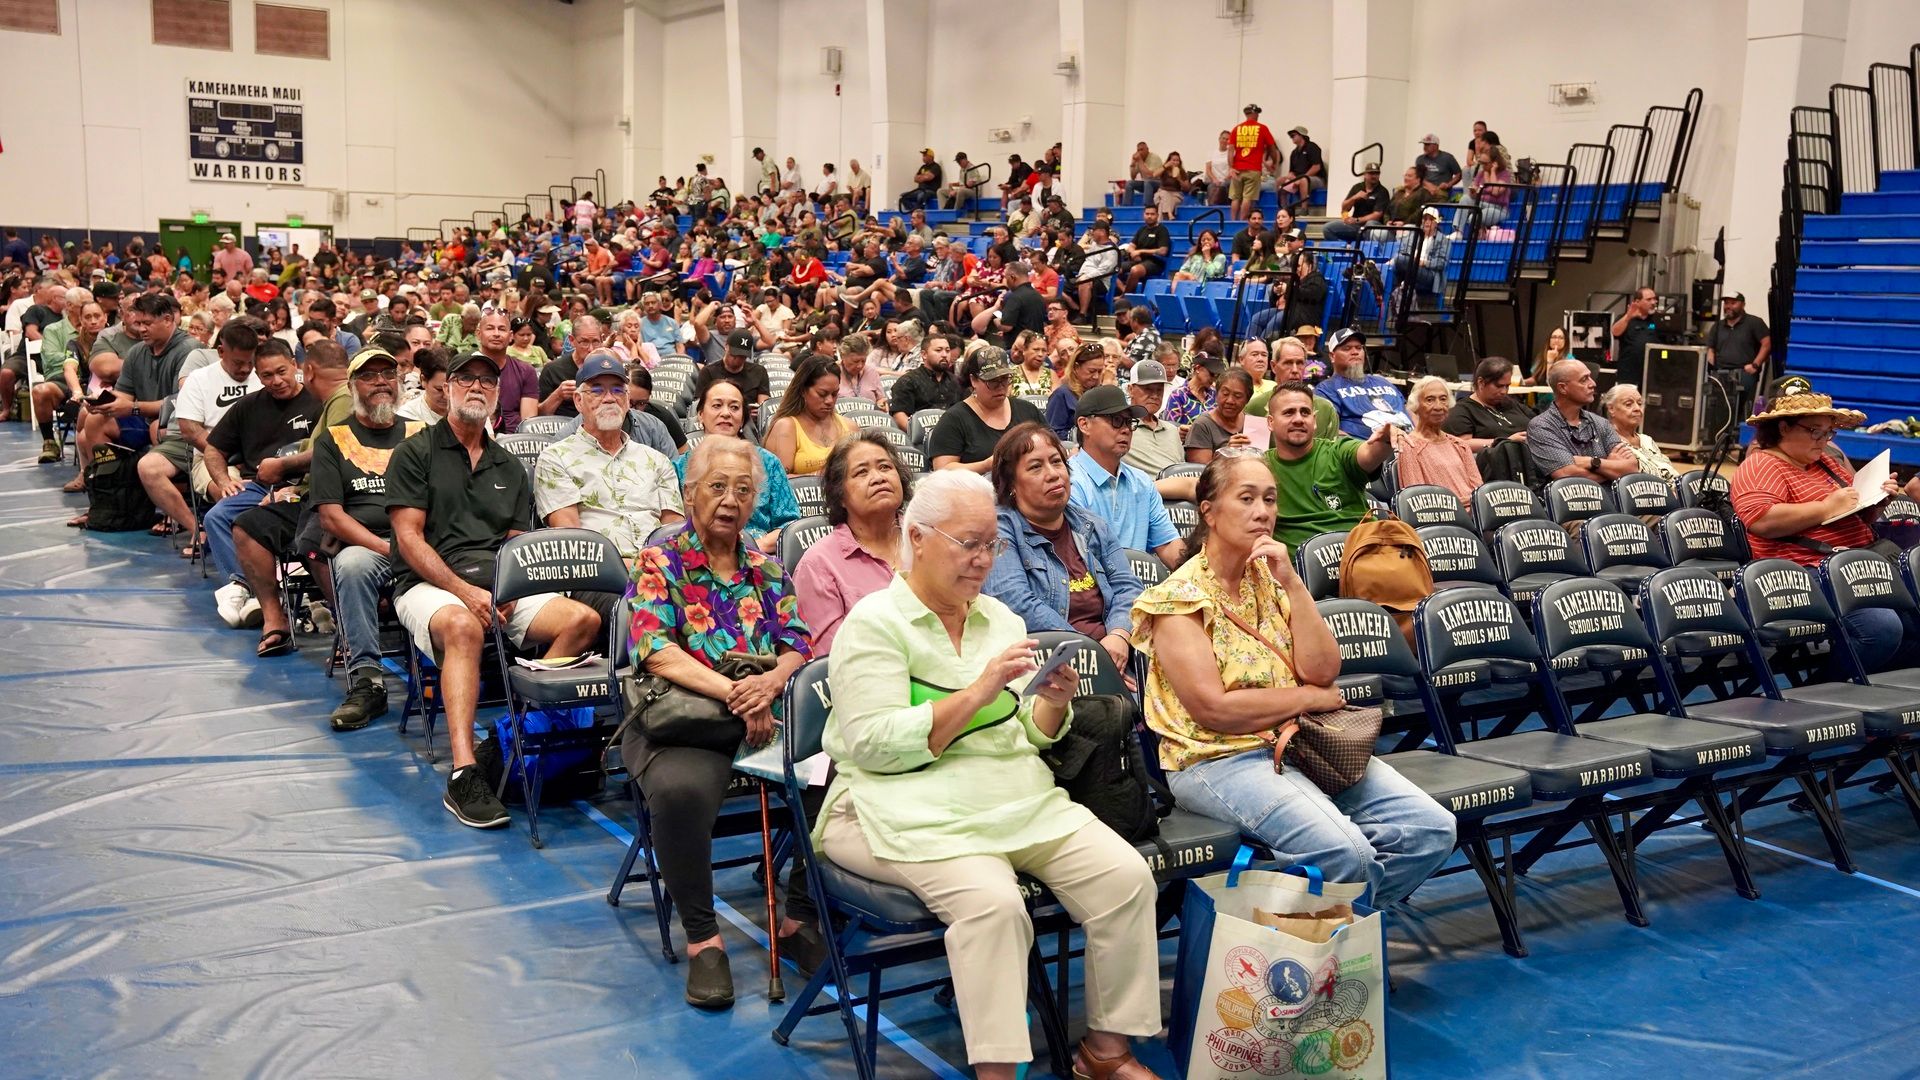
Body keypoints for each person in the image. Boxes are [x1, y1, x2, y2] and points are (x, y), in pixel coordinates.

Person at [820, 469, 1162, 1078]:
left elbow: (1026, 732)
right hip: (906, 804)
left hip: (1016, 796)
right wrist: (977, 692)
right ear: (918, 537)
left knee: (1126, 878)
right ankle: (998, 1073)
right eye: (968, 543)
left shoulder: (999, 619)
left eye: (992, 545)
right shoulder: (873, 624)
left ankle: (1105, 1053)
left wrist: (1052, 703)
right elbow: (873, 747)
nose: (983, 560)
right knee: (994, 907)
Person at [1130, 453, 1455, 908]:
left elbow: (1323, 671)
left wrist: (1294, 584)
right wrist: (1308, 698)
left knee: (1431, 830)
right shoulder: (1177, 599)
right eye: (1246, 499)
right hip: (1215, 759)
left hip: (1301, 741)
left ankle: (1318, 930)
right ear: (1209, 511)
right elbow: (1214, 710)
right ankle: (1323, 941)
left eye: (1270, 499)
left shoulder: (1270, 579)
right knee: (1346, 854)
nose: (1262, 511)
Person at [625, 435, 818, 1007]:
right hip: (686, 719)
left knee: (837, 772)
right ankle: (703, 936)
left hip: (763, 717)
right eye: (717, 486)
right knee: (681, 791)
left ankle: (799, 915)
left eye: (743, 489)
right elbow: (656, 650)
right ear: (690, 494)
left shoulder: (767, 568)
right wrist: (739, 694)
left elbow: (798, 645)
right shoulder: (660, 561)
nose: (730, 500)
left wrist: (770, 685)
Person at [386, 349, 602, 830]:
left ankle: (507, 743)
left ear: (498, 393)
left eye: (487, 380)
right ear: (447, 388)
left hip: (497, 586)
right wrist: (466, 591)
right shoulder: (415, 452)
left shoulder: (508, 465)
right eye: (466, 379)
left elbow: (515, 541)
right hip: (428, 583)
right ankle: (464, 771)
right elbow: (409, 539)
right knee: (463, 627)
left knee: (582, 620)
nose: (477, 387)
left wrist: (510, 587)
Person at [1732, 378, 1920, 672]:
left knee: (1913, 623)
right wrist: (1825, 508)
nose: (1823, 440)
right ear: (1784, 428)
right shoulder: (1761, 465)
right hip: (1801, 572)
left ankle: (1863, 683)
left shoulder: (1825, 463)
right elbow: (1762, 520)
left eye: (1828, 432)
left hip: (1859, 563)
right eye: (1815, 431)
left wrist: (1876, 503)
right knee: (1881, 628)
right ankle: (1824, 688)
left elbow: (1855, 515)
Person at [305, 347, 423, 731]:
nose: (380, 382)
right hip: (371, 545)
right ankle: (368, 681)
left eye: (387, 374)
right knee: (352, 564)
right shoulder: (333, 439)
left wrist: (417, 546)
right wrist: (389, 548)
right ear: (352, 386)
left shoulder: (422, 433)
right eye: (369, 376)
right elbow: (331, 517)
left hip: (423, 541)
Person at [201, 342, 332, 631]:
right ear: (257, 376)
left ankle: (252, 591)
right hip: (259, 486)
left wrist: (294, 489)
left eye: (281, 371)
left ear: (295, 365)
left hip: (303, 488)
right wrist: (224, 481)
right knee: (217, 516)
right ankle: (246, 587)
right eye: (267, 375)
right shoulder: (247, 406)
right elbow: (213, 449)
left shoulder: (318, 401)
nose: (276, 380)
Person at [533, 352, 685, 566]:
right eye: (597, 390)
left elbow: (673, 532)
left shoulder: (657, 461)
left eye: (617, 390)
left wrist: (658, 570)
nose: (609, 398)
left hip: (660, 571)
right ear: (578, 401)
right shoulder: (556, 459)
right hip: (597, 573)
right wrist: (634, 568)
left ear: (627, 400)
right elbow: (572, 544)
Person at [792, 431, 912, 653]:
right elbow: (831, 657)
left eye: (885, 467)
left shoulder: (930, 539)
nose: (878, 477)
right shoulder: (818, 566)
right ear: (840, 495)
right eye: (861, 472)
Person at [1263, 381, 1395, 550]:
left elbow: (1368, 454)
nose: (1298, 419)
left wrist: (1384, 441)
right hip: (1296, 564)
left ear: (1314, 421)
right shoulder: (1262, 467)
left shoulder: (1337, 452)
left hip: (1362, 557)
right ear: (1271, 422)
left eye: (1305, 412)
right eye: (1289, 413)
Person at [674, 379, 798, 554]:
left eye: (734, 407)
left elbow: (789, 525)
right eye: (717, 406)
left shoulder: (768, 462)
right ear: (700, 414)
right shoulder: (680, 467)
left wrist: (756, 547)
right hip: (695, 553)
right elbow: (674, 525)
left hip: (757, 552)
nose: (726, 413)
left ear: (743, 418)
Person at [1069, 385, 1184, 569]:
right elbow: (1079, 561)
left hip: (1141, 584)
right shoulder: (1069, 483)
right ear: (1084, 425)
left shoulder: (1141, 482)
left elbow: (1169, 546)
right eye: (1116, 420)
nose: (1126, 430)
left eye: (1129, 422)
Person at [929, 347, 1046, 473]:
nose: (1000, 387)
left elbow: (1052, 447)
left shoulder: (1028, 410)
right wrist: (986, 465)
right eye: (992, 381)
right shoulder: (954, 419)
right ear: (973, 380)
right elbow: (942, 470)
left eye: (1005, 379)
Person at [1527, 359, 1639, 483]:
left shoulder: (1601, 423)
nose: (1593, 384)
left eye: (1590, 377)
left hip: (1609, 495)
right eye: (1584, 380)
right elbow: (1567, 475)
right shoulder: (1542, 426)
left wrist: (1592, 462)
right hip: (1570, 495)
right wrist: (1611, 468)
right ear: (1563, 388)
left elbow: (1631, 468)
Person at [1442, 356, 1536, 483]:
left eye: (1507, 386)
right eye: (1499, 386)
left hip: (1530, 466)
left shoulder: (1510, 403)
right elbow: (1461, 443)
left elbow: (1537, 422)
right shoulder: (1462, 410)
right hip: (1496, 475)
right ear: (1481, 382)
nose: (1504, 391)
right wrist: (1504, 442)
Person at [764, 353, 855, 477]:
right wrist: (822, 476)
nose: (829, 400)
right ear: (802, 390)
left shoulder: (850, 427)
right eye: (822, 394)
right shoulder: (786, 427)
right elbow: (778, 480)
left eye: (834, 394)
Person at [1397, 376, 1482, 501]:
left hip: (1473, 510)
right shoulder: (1409, 447)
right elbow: (1417, 499)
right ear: (1416, 406)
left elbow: (1479, 493)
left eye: (1443, 399)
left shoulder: (1460, 445)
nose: (1438, 406)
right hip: (1442, 512)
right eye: (1430, 400)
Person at [1315, 328, 1409, 438]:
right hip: (1370, 446)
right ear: (1332, 356)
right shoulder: (1326, 389)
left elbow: (1409, 412)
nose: (1355, 352)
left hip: (1411, 441)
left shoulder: (1382, 381)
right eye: (1347, 348)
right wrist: (1372, 447)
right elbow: (1329, 431)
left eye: (1359, 348)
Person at [1599, 383, 1680, 484]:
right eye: (1628, 404)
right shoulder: (1610, 442)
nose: (1637, 408)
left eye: (1640, 403)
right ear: (1611, 409)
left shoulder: (1647, 440)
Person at [887, 330, 967, 430]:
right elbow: (899, 416)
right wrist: (917, 433)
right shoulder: (908, 381)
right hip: (918, 436)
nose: (944, 355)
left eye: (947, 351)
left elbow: (961, 414)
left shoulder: (955, 382)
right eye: (938, 350)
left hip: (949, 434)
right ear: (924, 354)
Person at [692, 328, 774, 423]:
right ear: (726, 347)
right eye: (734, 355)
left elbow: (764, 407)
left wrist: (758, 412)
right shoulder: (708, 372)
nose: (738, 359)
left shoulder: (759, 372)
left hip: (750, 423)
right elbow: (700, 407)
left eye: (742, 356)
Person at [1121, 360, 1186, 479]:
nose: (1155, 396)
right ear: (1130, 389)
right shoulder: (1120, 427)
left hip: (1180, 486)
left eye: (1159, 390)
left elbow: (1182, 469)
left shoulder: (1171, 430)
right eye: (1148, 389)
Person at [1185, 369, 1257, 465]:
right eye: (1225, 394)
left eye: (1238, 396)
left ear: (1247, 399)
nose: (1230, 401)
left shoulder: (1254, 424)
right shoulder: (1202, 425)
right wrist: (1227, 453)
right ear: (1216, 394)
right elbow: (1200, 470)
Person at [1272, 336, 1339, 438]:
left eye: (1300, 363)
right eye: (1288, 363)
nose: (1295, 370)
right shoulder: (1256, 406)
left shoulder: (1326, 409)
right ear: (1273, 366)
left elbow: (1332, 447)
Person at [1706, 291, 1770, 395]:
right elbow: (1710, 348)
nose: (1728, 306)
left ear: (1743, 305)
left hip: (1744, 373)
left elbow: (1767, 343)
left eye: (1733, 303)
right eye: (1726, 303)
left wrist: (1755, 365)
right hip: (1720, 373)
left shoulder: (1754, 322)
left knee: (1740, 401)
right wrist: (1711, 369)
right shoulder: (1718, 326)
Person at [1046, 341, 1107, 442]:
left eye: (1100, 371)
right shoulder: (1061, 395)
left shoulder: (1103, 394)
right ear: (1076, 367)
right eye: (1091, 371)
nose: (1096, 376)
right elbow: (1052, 433)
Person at [1228, 104, 1280, 221]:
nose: (1258, 116)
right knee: (1247, 197)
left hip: (1237, 168)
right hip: (1253, 168)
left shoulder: (1237, 129)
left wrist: (1231, 167)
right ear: (1254, 114)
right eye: (1257, 113)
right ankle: (1242, 221)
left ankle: (1233, 220)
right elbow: (1272, 147)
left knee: (1235, 198)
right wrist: (1274, 162)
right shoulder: (1262, 128)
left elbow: (1230, 150)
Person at [1391, 206, 1452, 301]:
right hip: (1413, 266)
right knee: (1395, 266)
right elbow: (1403, 250)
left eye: (1431, 219)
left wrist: (1424, 262)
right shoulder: (1415, 235)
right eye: (1425, 219)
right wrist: (1413, 257)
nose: (1427, 222)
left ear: (1436, 223)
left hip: (1430, 273)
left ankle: (1400, 289)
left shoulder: (1444, 240)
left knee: (1399, 260)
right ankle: (1393, 298)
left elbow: (1441, 263)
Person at [1322, 162, 1391, 241]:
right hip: (1356, 226)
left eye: (1376, 174)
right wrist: (1354, 198)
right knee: (1327, 228)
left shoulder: (1382, 191)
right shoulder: (1357, 187)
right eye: (1371, 173)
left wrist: (1357, 220)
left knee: (1370, 224)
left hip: (1372, 225)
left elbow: (1377, 215)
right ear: (1365, 174)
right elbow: (1344, 208)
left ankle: (1365, 247)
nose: (1374, 176)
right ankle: (1344, 247)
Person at [1611, 286, 1660, 389]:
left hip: (1652, 374)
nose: (1653, 302)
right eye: (1649, 299)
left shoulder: (1657, 320)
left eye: (1654, 299)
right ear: (1637, 302)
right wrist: (1628, 317)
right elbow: (1615, 332)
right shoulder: (1625, 318)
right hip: (1628, 374)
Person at [1277, 124, 1325, 209]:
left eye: (1293, 135)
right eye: (1291, 136)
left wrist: (1301, 178)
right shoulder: (1294, 153)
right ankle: (1283, 208)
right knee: (1280, 180)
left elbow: (1316, 167)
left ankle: (1304, 209)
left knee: (1303, 180)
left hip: (1316, 178)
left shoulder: (1312, 147)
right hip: (1298, 178)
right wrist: (1290, 176)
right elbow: (1291, 171)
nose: (1291, 137)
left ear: (1301, 135)